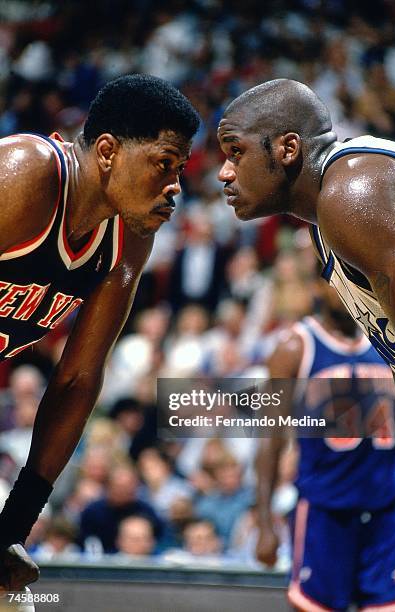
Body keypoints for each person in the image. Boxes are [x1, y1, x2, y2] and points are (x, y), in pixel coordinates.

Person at [0, 73, 200, 592]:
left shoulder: (127, 238)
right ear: (108, 151)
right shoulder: (27, 174)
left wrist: (12, 529)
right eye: (163, 162)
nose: (175, 184)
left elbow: (78, 381)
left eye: (180, 169)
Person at [217, 78, 395, 424]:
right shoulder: (325, 222)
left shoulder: (350, 193)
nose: (224, 172)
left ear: (288, 149)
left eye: (236, 152)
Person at [256, 278, 395, 611]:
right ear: (318, 287)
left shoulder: (392, 339)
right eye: (342, 281)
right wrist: (265, 523)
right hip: (325, 512)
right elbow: (270, 440)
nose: (351, 291)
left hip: (386, 509)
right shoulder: (296, 347)